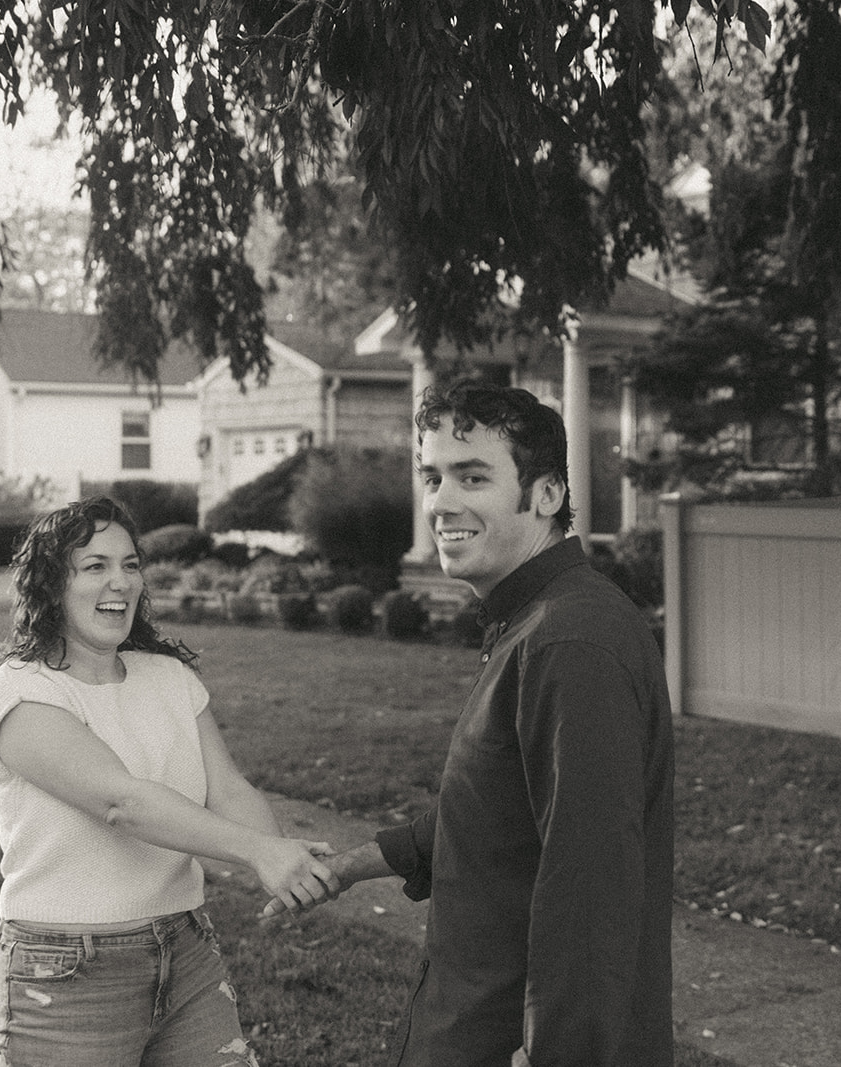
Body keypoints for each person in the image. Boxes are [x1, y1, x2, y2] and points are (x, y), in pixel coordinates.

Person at [266, 380, 675, 1066]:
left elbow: (590, 886)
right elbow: (498, 809)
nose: (441, 502)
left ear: (545, 494)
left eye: (473, 476)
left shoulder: (569, 643)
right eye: (432, 476)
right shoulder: (533, 621)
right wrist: (357, 863)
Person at [0, 496, 337, 1067]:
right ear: (49, 586)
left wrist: (282, 862)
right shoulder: (21, 690)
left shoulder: (169, 677)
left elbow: (227, 788)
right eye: (94, 566)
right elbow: (123, 803)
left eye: (130, 564)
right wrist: (257, 852)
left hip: (186, 948)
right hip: (68, 967)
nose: (119, 581)